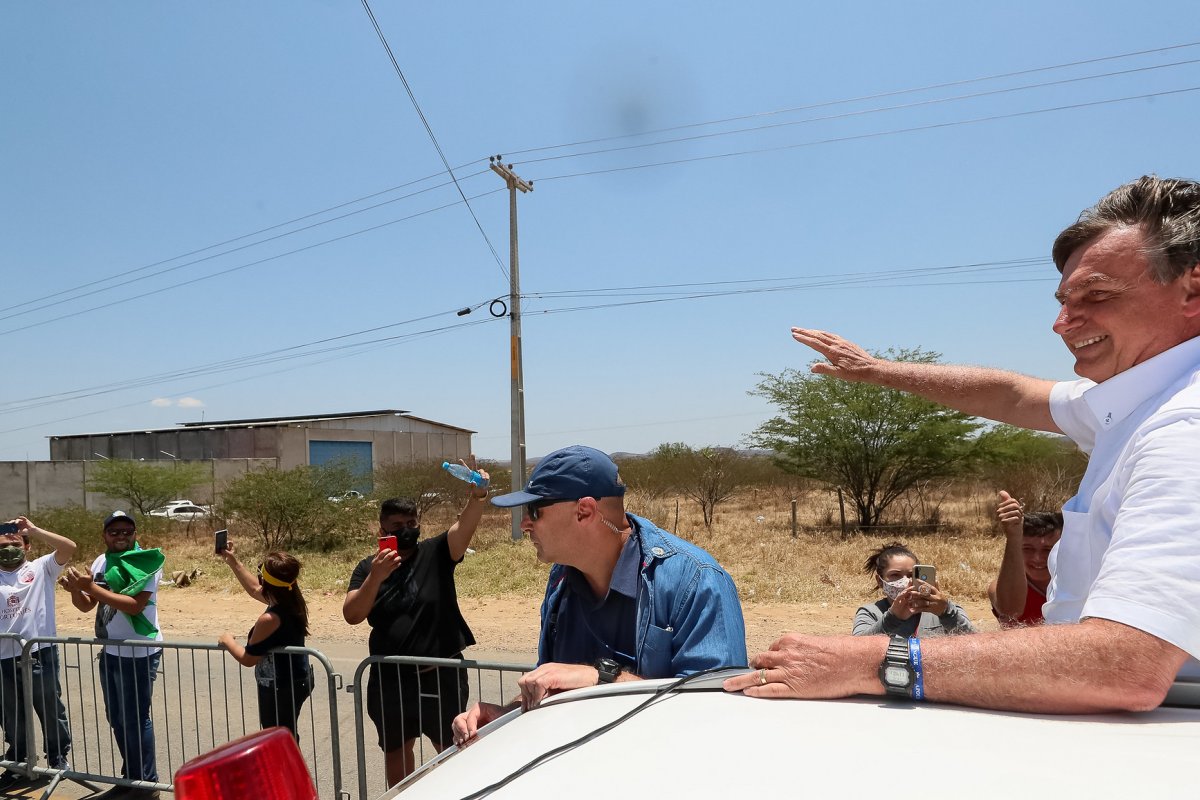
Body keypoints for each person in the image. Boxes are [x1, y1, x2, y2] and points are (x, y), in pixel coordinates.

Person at [724, 175, 1200, 714]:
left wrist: (877, 662)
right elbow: (1014, 394)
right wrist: (880, 371)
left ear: (1192, 288)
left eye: (1097, 295)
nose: (1063, 323)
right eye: (1065, 299)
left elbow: (1126, 664)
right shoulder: (1137, 400)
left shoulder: (1183, 429)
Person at [452, 445, 747, 746]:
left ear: (585, 511)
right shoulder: (561, 579)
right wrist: (508, 715)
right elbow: (556, 688)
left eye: (535, 511)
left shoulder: (696, 580)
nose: (525, 524)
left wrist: (603, 679)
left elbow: (716, 712)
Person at [342, 458, 490, 787]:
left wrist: (478, 496)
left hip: (440, 676)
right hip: (391, 679)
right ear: (382, 532)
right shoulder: (368, 568)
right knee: (397, 751)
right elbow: (352, 614)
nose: (408, 530)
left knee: (452, 748)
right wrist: (377, 577)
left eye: (412, 522)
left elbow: (463, 529)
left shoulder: (435, 552)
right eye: (398, 526)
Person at [61, 510, 164, 799]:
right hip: (111, 649)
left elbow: (134, 606)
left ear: (135, 534)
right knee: (117, 718)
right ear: (105, 535)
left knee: (135, 718)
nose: (121, 536)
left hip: (139, 651)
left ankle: (147, 784)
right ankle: (130, 779)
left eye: (127, 531)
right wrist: (75, 590)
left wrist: (90, 586)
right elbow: (87, 605)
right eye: (114, 531)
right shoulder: (102, 561)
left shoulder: (146, 561)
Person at [0, 517, 75, 791]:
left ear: (27, 546)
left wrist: (34, 530)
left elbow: (68, 547)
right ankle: (17, 762)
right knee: (11, 713)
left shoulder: (41, 568)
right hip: (3, 658)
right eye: (2, 545)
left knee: (50, 707)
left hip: (39, 653)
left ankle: (57, 759)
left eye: (14, 543)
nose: (9, 549)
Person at [217, 546, 313, 741]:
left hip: (280, 686)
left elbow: (248, 658)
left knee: (278, 741)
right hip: (295, 680)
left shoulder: (270, 619)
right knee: (287, 738)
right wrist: (233, 561)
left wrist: (228, 641)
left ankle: (290, 773)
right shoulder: (290, 597)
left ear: (266, 581)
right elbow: (254, 589)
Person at [853, 542, 974, 638]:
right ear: (880, 581)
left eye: (911, 575)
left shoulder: (943, 608)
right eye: (895, 575)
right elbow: (857, 649)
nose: (906, 581)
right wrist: (892, 618)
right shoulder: (870, 613)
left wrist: (946, 613)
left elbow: (974, 642)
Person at [990, 491, 1063, 628]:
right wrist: (1013, 536)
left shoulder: (1076, 585)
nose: (1037, 558)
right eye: (1028, 549)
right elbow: (1010, 611)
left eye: (1048, 550)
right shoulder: (999, 588)